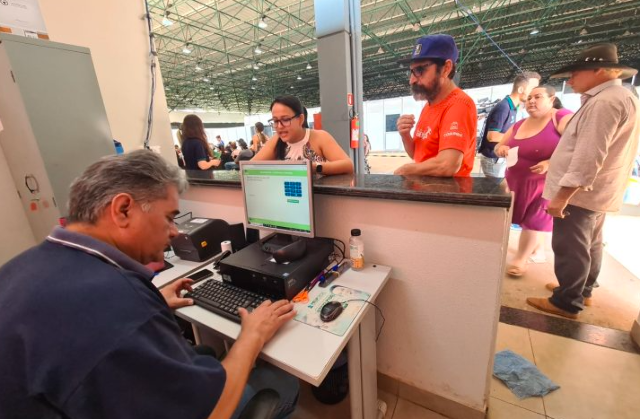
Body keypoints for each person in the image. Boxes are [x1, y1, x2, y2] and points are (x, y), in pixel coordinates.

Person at [0, 150, 299, 418]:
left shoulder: (19, 268)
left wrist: (150, 303)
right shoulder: (124, 303)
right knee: (281, 382)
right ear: (123, 210)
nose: (173, 232)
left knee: (203, 354)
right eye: (169, 218)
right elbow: (213, 410)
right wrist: (252, 337)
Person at [526, 44, 640, 319]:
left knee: (570, 245)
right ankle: (582, 289)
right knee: (591, 242)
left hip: (581, 194)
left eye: (575, 73)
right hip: (600, 190)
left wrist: (563, 196)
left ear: (598, 70)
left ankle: (567, 301)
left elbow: (589, 155)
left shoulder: (604, 102)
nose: (569, 80)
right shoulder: (621, 96)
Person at [495, 86, 573, 277]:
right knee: (521, 220)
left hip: (544, 184)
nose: (531, 101)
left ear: (552, 99)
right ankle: (536, 250)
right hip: (515, 182)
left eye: (537, 97)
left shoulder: (562, 117)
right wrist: (502, 148)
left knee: (533, 222)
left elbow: (578, 146)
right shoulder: (519, 123)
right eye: (528, 98)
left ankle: (520, 259)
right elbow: (498, 146)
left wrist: (550, 162)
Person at [394, 34, 477, 177]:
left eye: (420, 70)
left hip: (446, 196)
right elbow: (417, 155)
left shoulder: (459, 105)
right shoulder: (429, 106)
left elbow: (447, 165)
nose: (412, 80)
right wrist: (405, 135)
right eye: (411, 72)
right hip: (427, 192)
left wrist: (407, 170)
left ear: (446, 68)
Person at [253, 95, 354, 175]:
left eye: (285, 119)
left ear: (300, 119)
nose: (279, 126)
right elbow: (250, 167)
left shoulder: (320, 137)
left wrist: (314, 167)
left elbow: (348, 165)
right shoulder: (276, 140)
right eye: (275, 121)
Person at [478, 72, 541, 178]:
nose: (535, 92)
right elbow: (492, 136)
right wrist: (519, 138)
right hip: (493, 160)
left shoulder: (512, 108)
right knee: (494, 192)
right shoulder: (504, 107)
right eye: (533, 88)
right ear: (521, 89)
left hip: (499, 158)